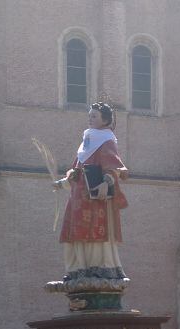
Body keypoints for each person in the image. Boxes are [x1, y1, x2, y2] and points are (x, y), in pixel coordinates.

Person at [54, 102, 128, 291]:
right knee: (76, 232)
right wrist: (62, 182)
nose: (90, 118)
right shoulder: (86, 141)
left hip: (96, 199)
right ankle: (78, 268)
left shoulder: (106, 140)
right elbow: (76, 171)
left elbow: (114, 168)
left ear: (105, 120)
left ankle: (101, 268)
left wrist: (107, 182)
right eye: (90, 115)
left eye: (94, 116)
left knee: (96, 231)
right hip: (78, 197)